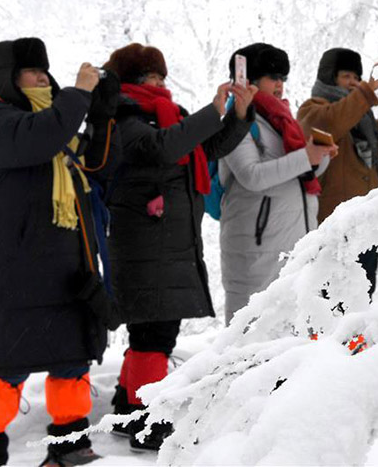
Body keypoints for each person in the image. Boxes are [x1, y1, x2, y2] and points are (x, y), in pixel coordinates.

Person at [103, 43, 257, 451]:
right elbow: (161, 149)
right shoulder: (124, 116)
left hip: (167, 242)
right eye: (149, 77)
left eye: (160, 77)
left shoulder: (165, 117)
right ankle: (147, 420)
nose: (158, 84)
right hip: (144, 243)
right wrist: (211, 111)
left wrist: (237, 115)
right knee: (153, 332)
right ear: (131, 82)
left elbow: (205, 149)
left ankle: (127, 406)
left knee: (150, 329)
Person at [0, 37, 119, 467]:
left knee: (71, 362)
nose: (43, 77)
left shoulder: (56, 122)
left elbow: (97, 165)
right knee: (4, 371)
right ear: (4, 78)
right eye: (32, 71)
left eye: (45, 70)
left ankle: (69, 447)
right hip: (14, 276)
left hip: (68, 270)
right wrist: (78, 95)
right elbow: (35, 140)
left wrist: (99, 114)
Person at [218, 43, 337, 325]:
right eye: (274, 78)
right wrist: (305, 157)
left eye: (283, 79)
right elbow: (252, 176)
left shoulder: (279, 119)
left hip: (290, 243)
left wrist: (319, 157)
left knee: (286, 337)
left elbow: (297, 177)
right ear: (250, 81)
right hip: (255, 249)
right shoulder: (237, 122)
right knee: (247, 340)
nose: (280, 86)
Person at [297, 48, 378, 296]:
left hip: (365, 223)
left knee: (362, 295)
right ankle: (327, 337)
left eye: (355, 77)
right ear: (329, 77)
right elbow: (329, 124)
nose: (352, 83)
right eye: (346, 77)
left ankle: (355, 337)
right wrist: (366, 91)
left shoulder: (361, 115)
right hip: (333, 227)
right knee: (331, 298)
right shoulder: (313, 109)